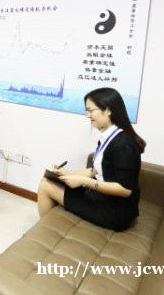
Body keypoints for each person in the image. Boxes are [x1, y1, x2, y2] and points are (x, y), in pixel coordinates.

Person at [37, 87, 146, 231]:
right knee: (48, 180)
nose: (87, 115)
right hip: (103, 198)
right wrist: (67, 173)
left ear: (107, 110)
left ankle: (46, 231)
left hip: (115, 212)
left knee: (45, 186)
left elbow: (125, 190)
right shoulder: (108, 137)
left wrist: (84, 181)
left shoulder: (123, 144)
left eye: (91, 110)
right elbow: (95, 171)